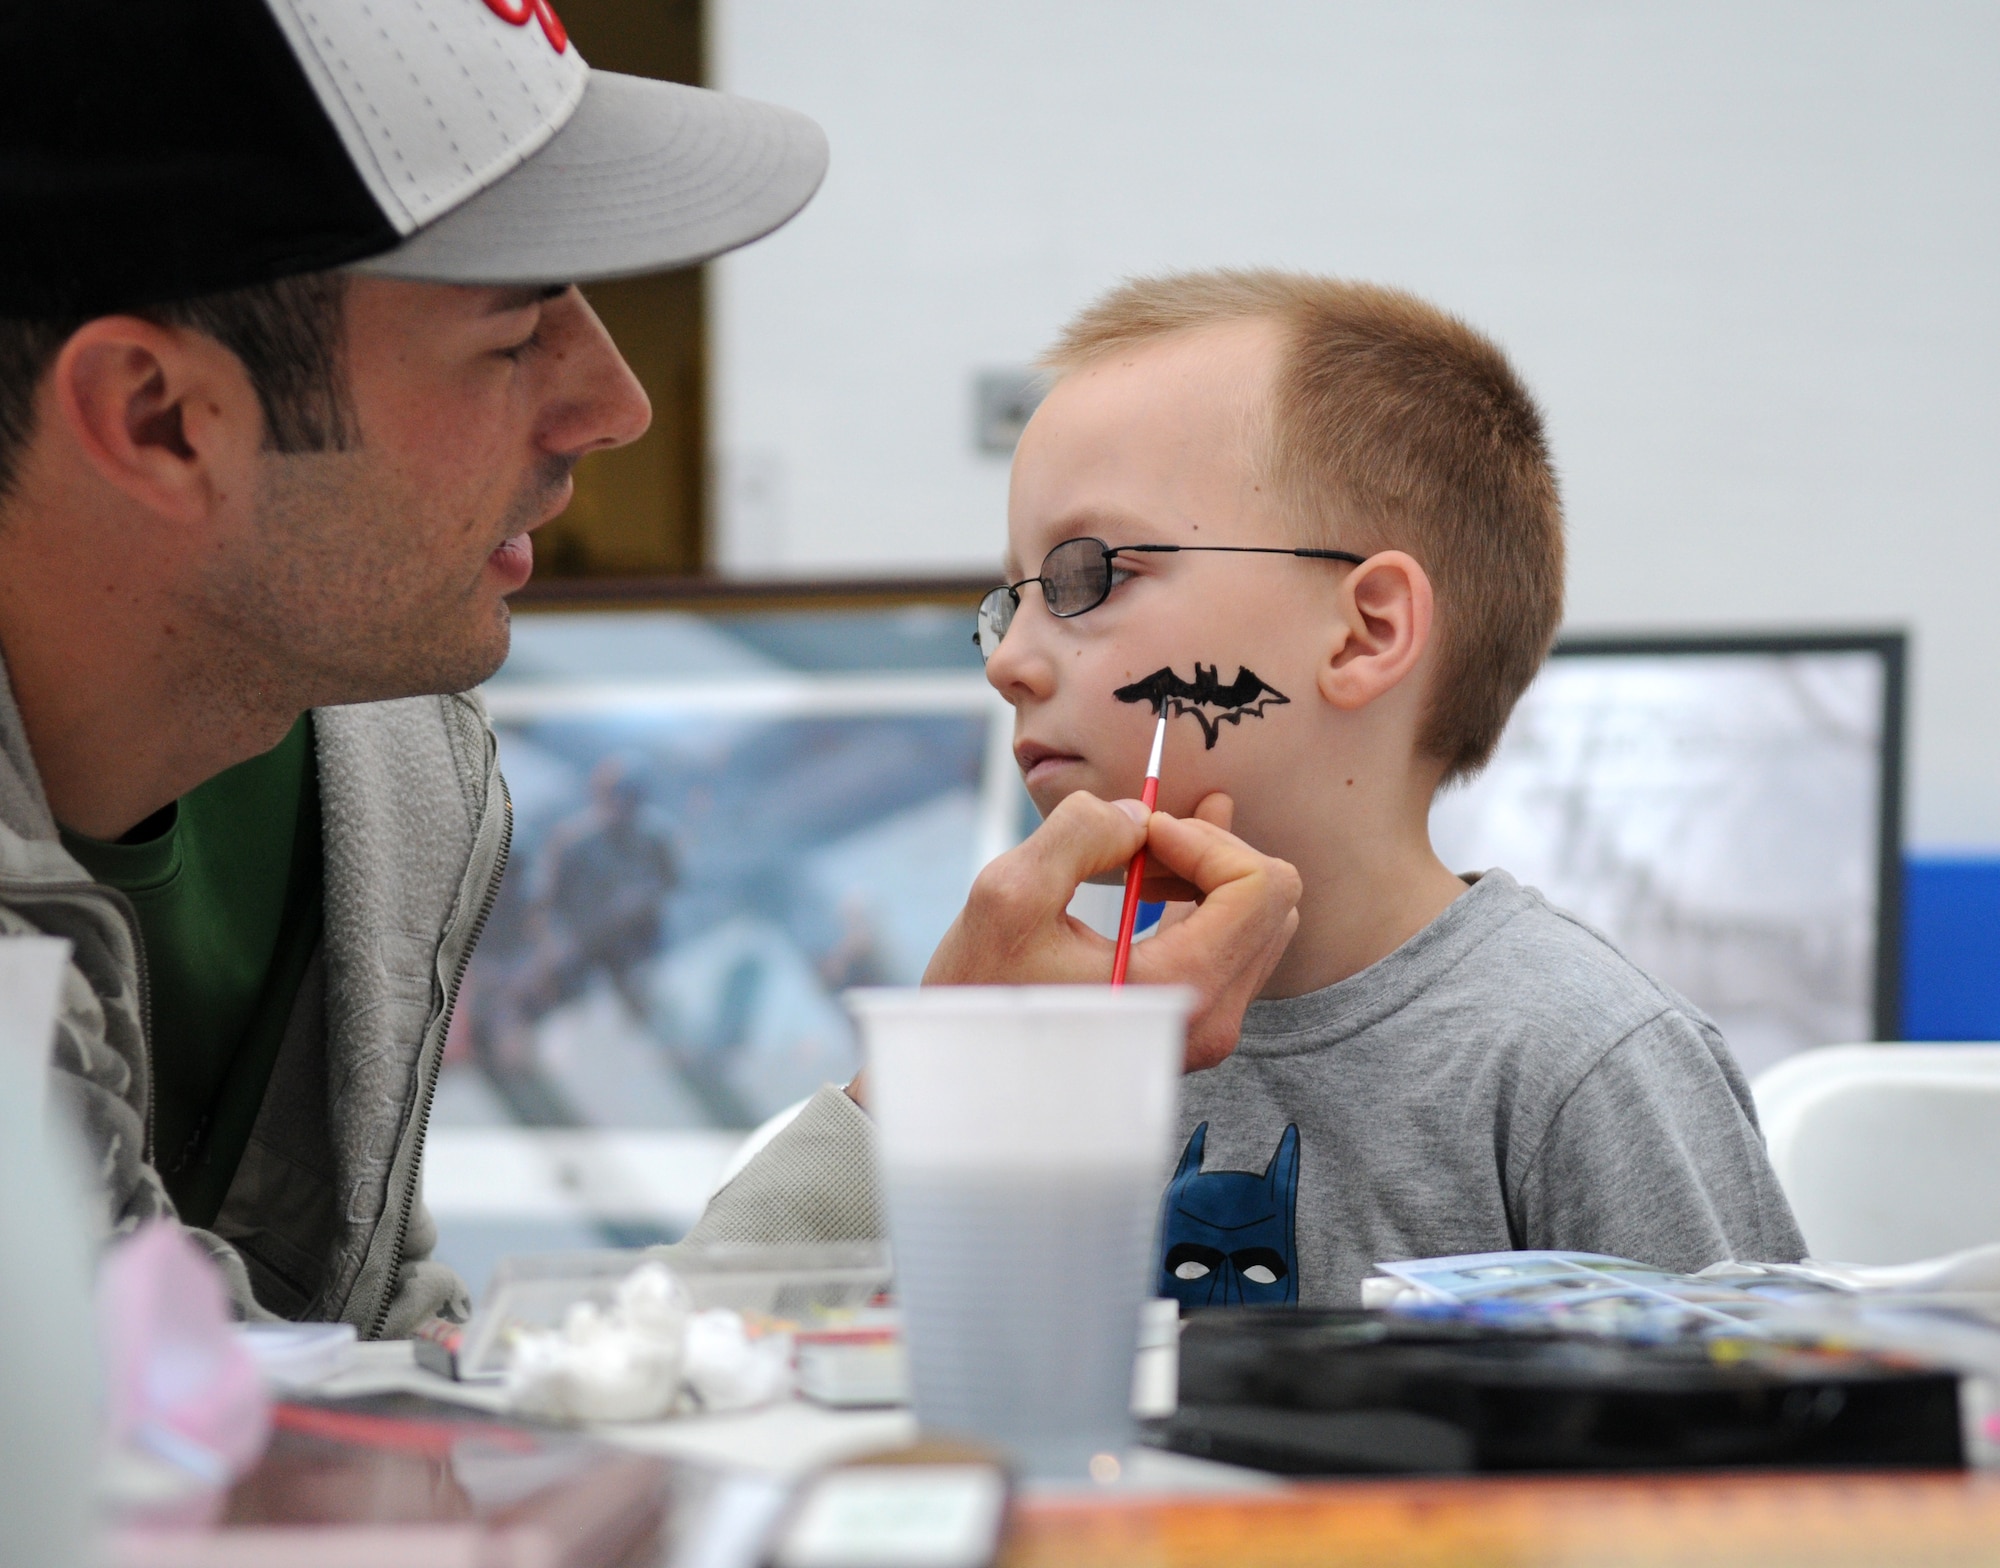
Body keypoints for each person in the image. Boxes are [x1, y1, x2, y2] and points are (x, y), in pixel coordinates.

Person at [0, 4, 1297, 1335]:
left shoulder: (382, 778)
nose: (616, 405)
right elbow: (174, 1424)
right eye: (512, 336)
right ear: (160, 417)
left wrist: (945, 1085)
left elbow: (386, 1376)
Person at [678, 270, 1806, 1306]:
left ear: (1365, 632)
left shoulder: (1577, 1060)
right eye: (1008, 601)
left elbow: (1770, 1434)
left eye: (1086, 575)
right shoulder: (1048, 1027)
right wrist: (949, 1072)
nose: (1006, 658)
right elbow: (728, 1356)